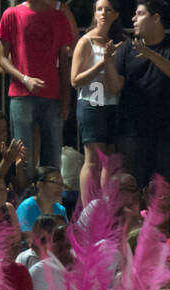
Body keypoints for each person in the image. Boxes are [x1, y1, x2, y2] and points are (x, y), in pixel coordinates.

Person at [115, 0, 170, 190]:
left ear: (156, 18)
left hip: (165, 133)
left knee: (160, 192)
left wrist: (151, 54)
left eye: (140, 14)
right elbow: (115, 86)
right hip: (131, 132)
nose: (133, 19)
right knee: (130, 190)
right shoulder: (126, 49)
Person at [0, 0, 76, 181]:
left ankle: (52, 204)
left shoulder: (58, 16)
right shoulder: (11, 14)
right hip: (21, 94)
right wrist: (25, 79)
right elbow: (2, 59)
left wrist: (66, 98)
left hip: (52, 95)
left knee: (53, 159)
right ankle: (26, 203)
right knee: (24, 159)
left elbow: (64, 60)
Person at [71, 0, 124, 206]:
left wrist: (111, 61)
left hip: (112, 103)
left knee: (109, 160)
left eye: (108, 9)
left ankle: (106, 206)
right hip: (91, 101)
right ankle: (88, 208)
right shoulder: (86, 41)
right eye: (99, 9)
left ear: (115, 15)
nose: (103, 13)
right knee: (93, 160)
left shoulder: (120, 42)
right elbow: (75, 80)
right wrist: (103, 62)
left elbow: (117, 84)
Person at [16, 166, 69, 232]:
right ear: (39, 184)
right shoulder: (27, 207)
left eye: (62, 184)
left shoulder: (61, 210)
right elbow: (28, 239)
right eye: (55, 182)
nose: (60, 187)